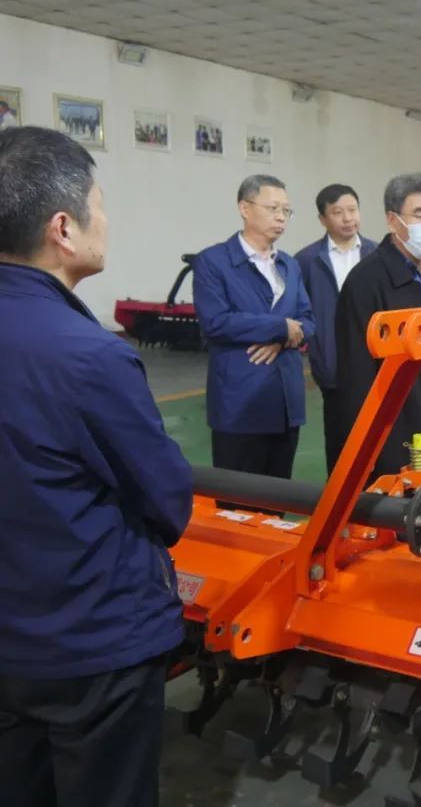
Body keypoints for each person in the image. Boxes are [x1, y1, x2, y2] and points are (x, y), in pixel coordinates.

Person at [0, 126, 193, 806]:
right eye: (100, 206)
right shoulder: (90, 356)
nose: (106, 222)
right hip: (90, 645)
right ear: (63, 228)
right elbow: (166, 499)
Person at [335, 173, 421, 483]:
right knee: (402, 504)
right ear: (393, 220)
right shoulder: (366, 281)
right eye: (419, 214)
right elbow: (357, 372)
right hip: (396, 424)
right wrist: (371, 441)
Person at [193, 175, 315, 484]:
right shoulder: (213, 262)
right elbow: (216, 321)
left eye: (286, 211)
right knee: (237, 496)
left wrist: (282, 338)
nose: (281, 217)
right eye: (273, 208)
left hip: (285, 403)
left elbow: (308, 320)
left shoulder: (289, 265)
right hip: (240, 404)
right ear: (244, 208)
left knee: (279, 495)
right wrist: (279, 327)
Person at [296, 184, 378, 474]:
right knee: (340, 443)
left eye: (352, 210)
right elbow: (301, 311)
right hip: (333, 371)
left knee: (378, 443)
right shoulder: (307, 261)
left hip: (375, 366)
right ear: (322, 219)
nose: (347, 218)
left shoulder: (378, 254)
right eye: (337, 212)